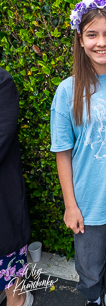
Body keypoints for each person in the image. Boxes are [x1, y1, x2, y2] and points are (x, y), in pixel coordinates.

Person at [50, 0, 106, 306]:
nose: (102, 42)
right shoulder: (67, 90)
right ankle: (92, 297)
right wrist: (70, 205)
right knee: (89, 264)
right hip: (88, 200)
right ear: (80, 39)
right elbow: (62, 151)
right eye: (92, 34)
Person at [0, 68, 33, 306]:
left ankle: (19, 298)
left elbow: (3, 130)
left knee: (8, 250)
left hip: (3, 188)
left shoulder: (2, 80)